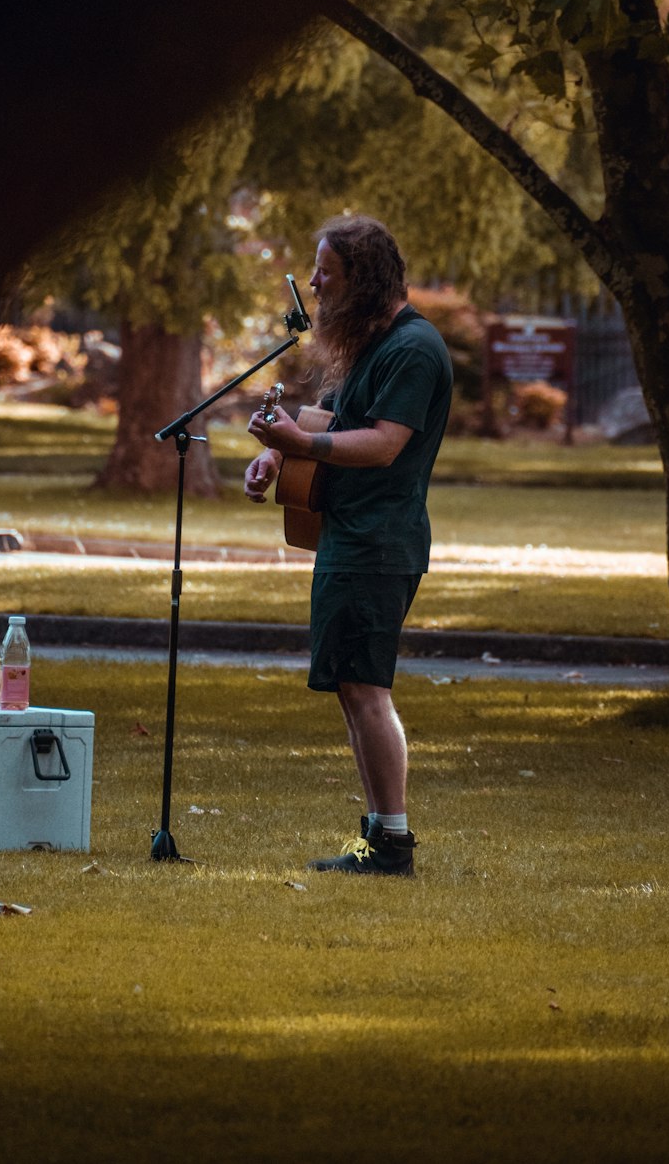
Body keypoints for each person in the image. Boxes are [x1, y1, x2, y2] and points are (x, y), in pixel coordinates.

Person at [245, 215, 453, 876]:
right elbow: (333, 416)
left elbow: (386, 442)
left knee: (367, 686)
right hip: (347, 534)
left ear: (359, 278)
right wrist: (280, 461)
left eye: (325, 273)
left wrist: (302, 446)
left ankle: (392, 840)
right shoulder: (372, 343)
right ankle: (376, 833)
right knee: (349, 684)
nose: (311, 283)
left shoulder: (414, 349)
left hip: (379, 540)